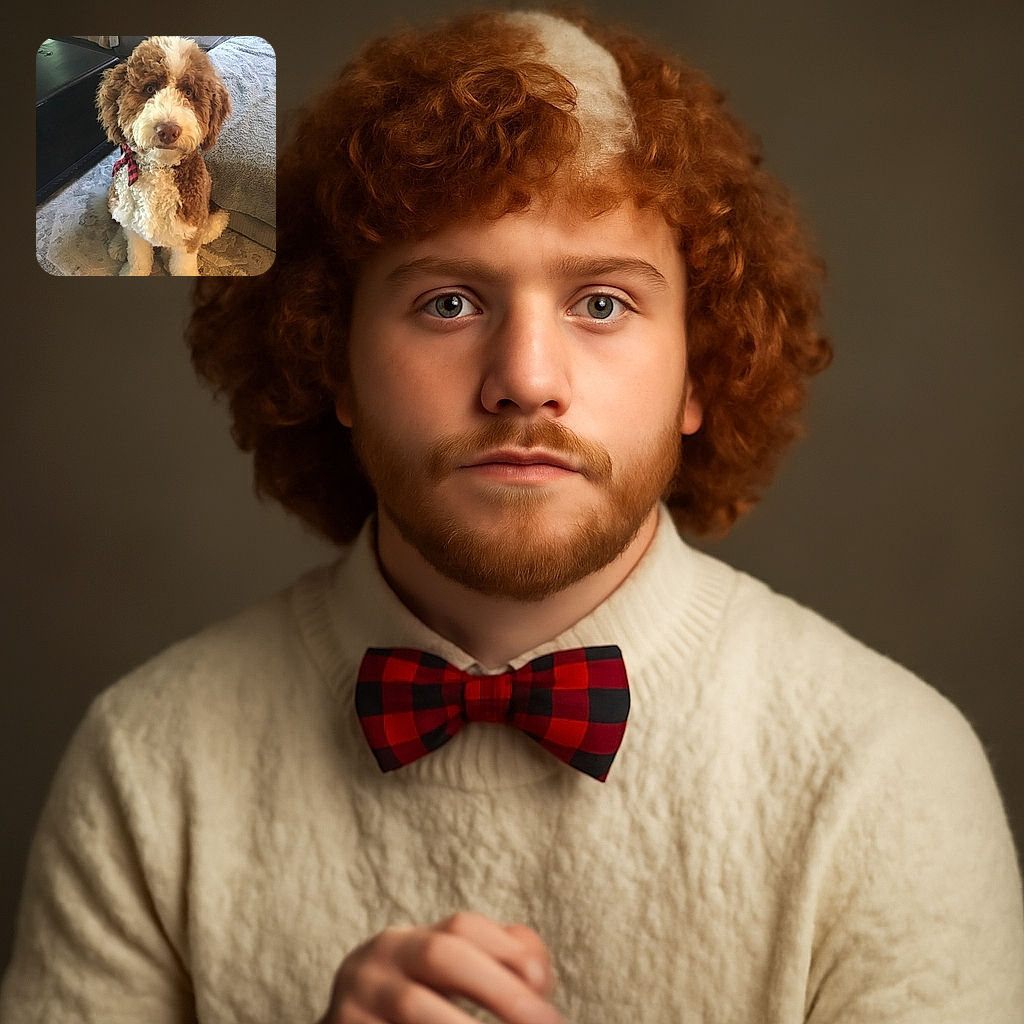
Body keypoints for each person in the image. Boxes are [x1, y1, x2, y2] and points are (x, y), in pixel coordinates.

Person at [3, 9, 1022, 1023]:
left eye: (602, 303)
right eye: (448, 302)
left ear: (697, 374)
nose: (526, 381)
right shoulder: (145, 761)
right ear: (334, 361)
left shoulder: (887, 771)